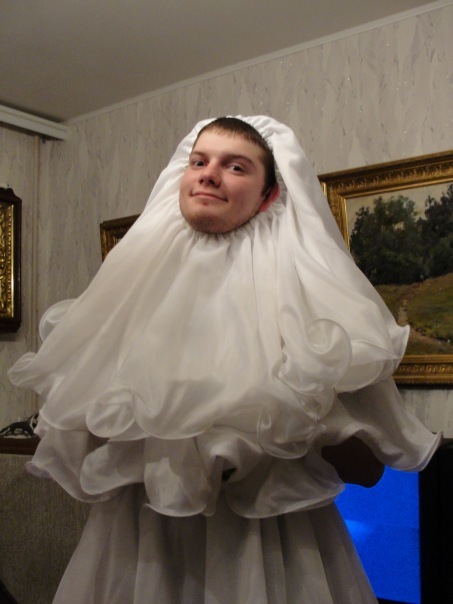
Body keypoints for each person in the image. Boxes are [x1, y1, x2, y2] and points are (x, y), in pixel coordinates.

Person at [9, 116, 440, 604]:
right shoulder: (128, 300)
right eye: (199, 161)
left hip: (273, 556)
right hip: (140, 556)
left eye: (235, 166)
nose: (209, 175)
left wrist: (306, 422)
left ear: (269, 194)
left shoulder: (314, 309)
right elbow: (82, 451)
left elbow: (369, 471)